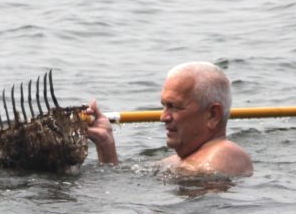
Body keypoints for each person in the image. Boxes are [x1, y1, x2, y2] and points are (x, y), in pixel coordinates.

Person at [85, 62, 253, 177]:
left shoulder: (222, 156)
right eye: (164, 106)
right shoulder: (180, 161)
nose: (163, 117)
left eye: (175, 107)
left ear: (212, 115)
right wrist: (106, 145)